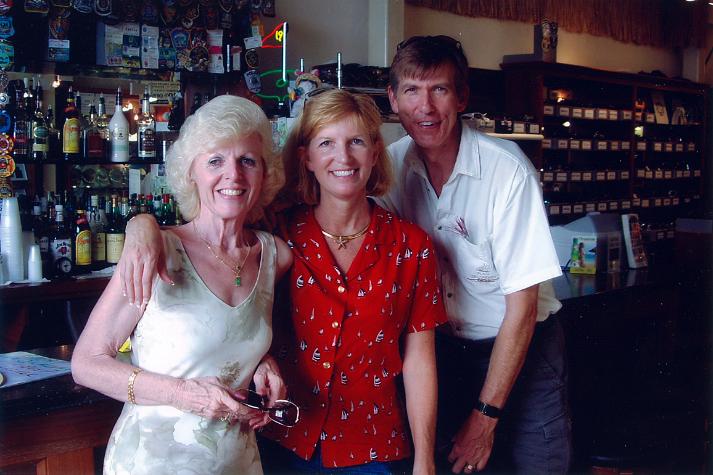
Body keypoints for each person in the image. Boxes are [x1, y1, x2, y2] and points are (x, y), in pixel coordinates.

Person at [118, 88, 448, 474]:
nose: (342, 157)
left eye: (356, 141)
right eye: (327, 143)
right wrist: (140, 225)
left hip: (373, 448)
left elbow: (420, 360)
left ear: (376, 152)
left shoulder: (411, 245)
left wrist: (425, 460)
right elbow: (207, 237)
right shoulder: (275, 237)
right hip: (283, 439)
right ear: (305, 157)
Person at [71, 95, 293, 475]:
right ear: (191, 172)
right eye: (215, 161)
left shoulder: (275, 256)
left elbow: (232, 335)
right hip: (152, 463)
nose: (233, 175)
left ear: (265, 173)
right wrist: (183, 394)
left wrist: (263, 363)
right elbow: (86, 364)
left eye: (247, 161)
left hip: (237, 463)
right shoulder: (156, 250)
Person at [379, 35, 571, 473]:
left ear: (462, 96)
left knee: (536, 465)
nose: (425, 107)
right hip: (444, 354)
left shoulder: (507, 171)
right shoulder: (388, 170)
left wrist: (484, 418)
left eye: (439, 90)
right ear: (393, 99)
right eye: (411, 90)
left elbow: (521, 310)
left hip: (522, 349)